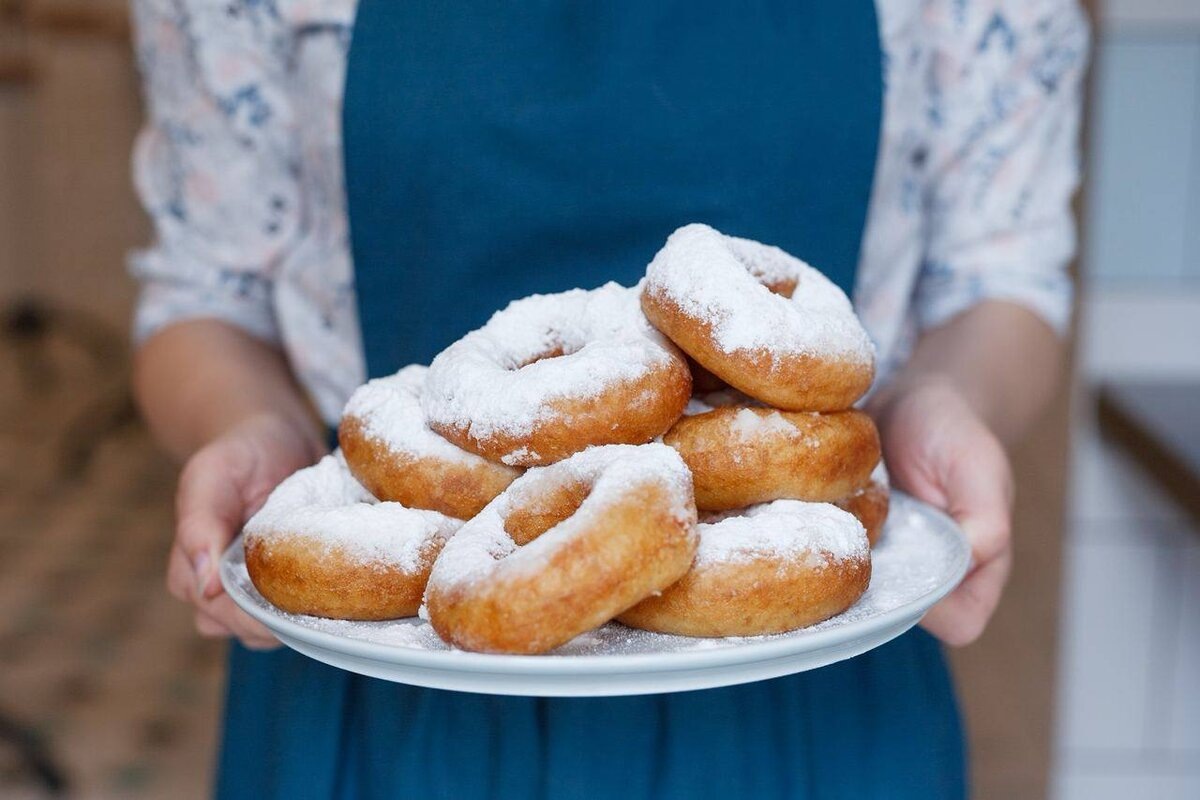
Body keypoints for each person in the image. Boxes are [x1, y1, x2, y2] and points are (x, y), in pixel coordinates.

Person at [128, 1, 1089, 797]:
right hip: (387, 670)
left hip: (811, 657)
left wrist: (950, 399)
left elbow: (999, 278)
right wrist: (245, 424)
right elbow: (206, 292)